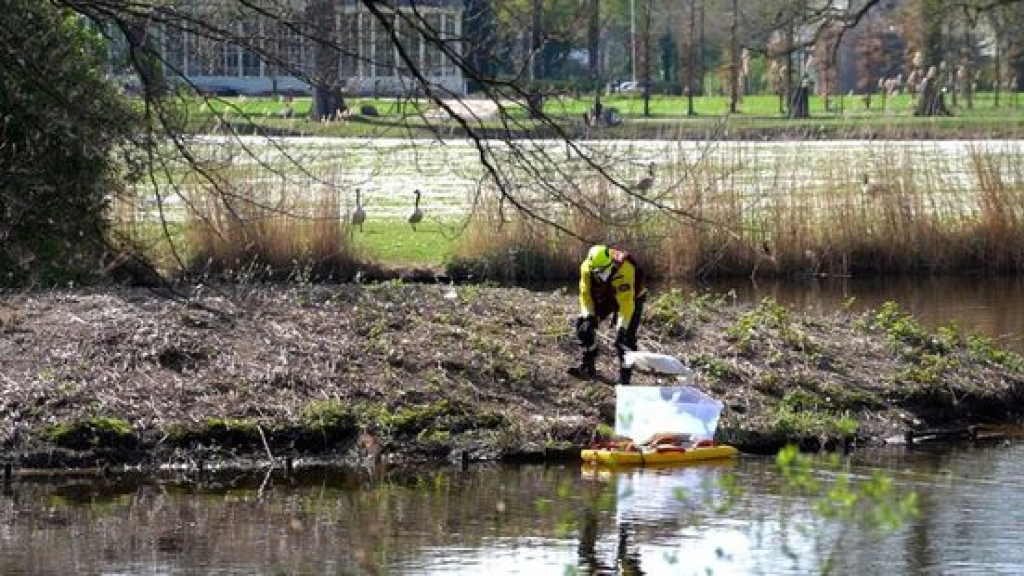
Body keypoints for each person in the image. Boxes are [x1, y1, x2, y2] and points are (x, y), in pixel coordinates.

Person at [568, 244, 646, 386]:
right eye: (596, 271)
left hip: (631, 297)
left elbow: (626, 303)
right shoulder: (586, 267)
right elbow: (585, 295)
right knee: (583, 326)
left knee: (625, 340)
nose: (599, 274)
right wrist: (589, 316)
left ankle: (624, 380)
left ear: (611, 264)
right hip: (605, 295)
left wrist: (622, 327)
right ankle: (588, 365)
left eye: (602, 271)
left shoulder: (625, 268)